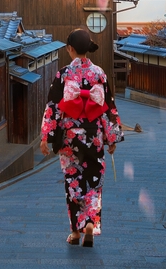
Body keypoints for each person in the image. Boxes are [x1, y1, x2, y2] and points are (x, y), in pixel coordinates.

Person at [40, 27, 122, 246]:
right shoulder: (99, 73)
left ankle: (76, 231)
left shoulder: (64, 73)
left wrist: (46, 136)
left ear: (70, 49)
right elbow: (108, 107)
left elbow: (53, 107)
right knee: (93, 180)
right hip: (94, 135)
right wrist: (111, 137)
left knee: (73, 180)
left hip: (70, 137)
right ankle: (90, 223)